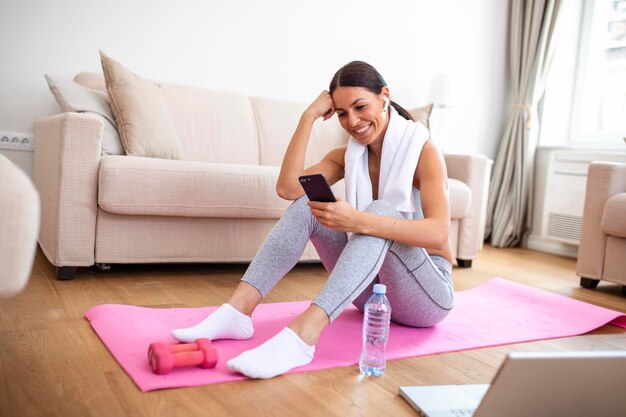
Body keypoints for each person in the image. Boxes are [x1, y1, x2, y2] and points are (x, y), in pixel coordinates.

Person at [172, 61, 455, 379]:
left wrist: (358, 220)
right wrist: (307, 118)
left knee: (379, 212)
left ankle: (302, 337)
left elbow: (439, 233)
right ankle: (238, 311)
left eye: (360, 107)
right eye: (343, 113)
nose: (354, 122)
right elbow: (288, 188)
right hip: (369, 294)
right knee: (310, 198)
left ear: (384, 96)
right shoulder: (348, 155)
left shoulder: (423, 152)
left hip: (428, 297)